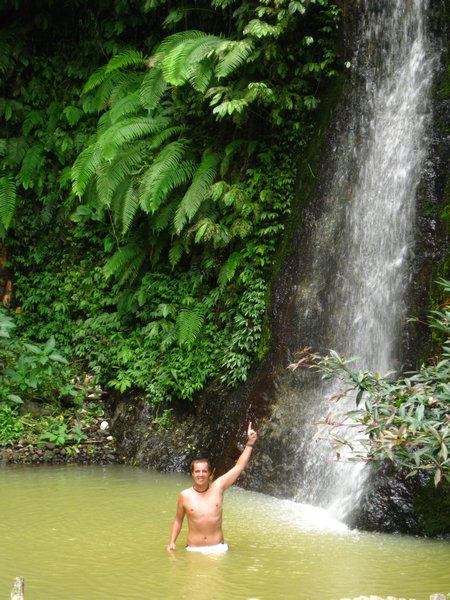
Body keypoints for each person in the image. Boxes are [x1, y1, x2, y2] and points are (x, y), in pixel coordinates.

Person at [167, 421, 257, 554]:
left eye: (204, 471)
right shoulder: (184, 495)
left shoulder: (218, 487)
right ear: (192, 474)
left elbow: (238, 466)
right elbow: (178, 520)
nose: (201, 474)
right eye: (197, 471)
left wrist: (250, 443)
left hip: (218, 549)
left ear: (210, 474)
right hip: (194, 549)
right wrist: (172, 542)